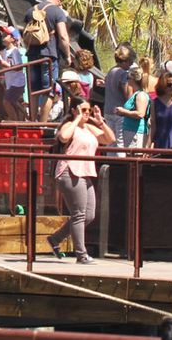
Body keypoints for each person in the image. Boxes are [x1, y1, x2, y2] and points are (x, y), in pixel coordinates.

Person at [48, 97, 114, 263]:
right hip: (70, 172)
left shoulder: (89, 128)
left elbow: (109, 139)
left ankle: (56, 239)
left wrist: (100, 122)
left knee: (89, 215)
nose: (87, 113)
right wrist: (76, 118)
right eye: (83, 110)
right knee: (79, 214)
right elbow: (63, 137)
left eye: (88, 110)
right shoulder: (69, 126)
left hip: (86, 173)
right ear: (74, 110)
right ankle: (81, 254)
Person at [102, 45, 134, 145]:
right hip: (119, 112)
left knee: (110, 141)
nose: (130, 65)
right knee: (120, 142)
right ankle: (120, 161)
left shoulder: (111, 71)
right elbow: (127, 95)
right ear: (125, 61)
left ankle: (111, 160)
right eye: (130, 62)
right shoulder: (123, 74)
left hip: (108, 110)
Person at [0, 26, 28, 120]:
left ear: (13, 38)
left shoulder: (15, 51)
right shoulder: (5, 51)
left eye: (6, 34)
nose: (3, 36)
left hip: (17, 82)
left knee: (6, 101)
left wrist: (4, 64)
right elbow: (4, 67)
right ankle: (24, 117)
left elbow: (19, 67)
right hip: (10, 82)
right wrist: (0, 63)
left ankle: (14, 121)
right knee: (14, 102)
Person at [115, 67, 150, 150]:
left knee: (135, 159)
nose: (127, 81)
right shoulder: (135, 94)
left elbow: (140, 114)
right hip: (130, 132)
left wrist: (123, 112)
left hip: (136, 133)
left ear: (133, 79)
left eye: (128, 78)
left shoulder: (140, 95)